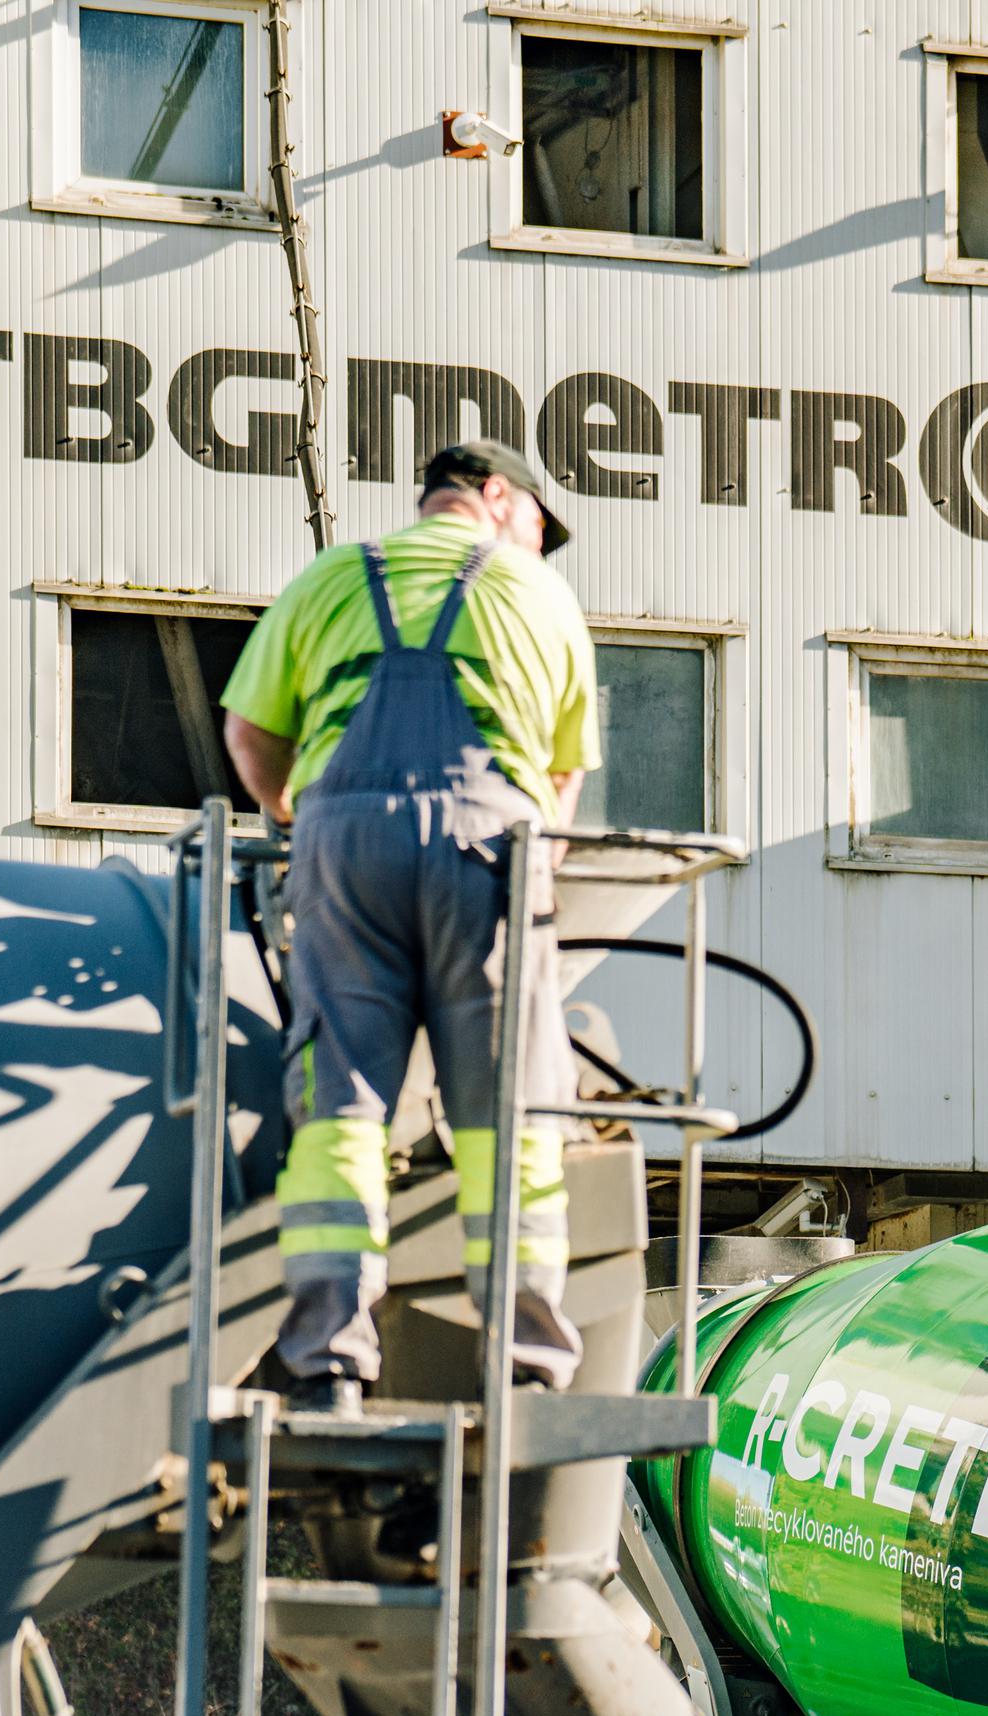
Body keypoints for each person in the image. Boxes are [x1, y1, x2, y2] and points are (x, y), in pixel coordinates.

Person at [220, 440, 601, 1414]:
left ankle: (328, 1362)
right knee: (510, 1117)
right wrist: (535, 860)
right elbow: (561, 777)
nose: (537, 546)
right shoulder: (540, 597)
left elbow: (251, 737)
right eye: (536, 527)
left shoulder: (330, 578)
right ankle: (522, 1367)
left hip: (344, 848)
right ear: (497, 496)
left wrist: (306, 822)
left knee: (341, 1109)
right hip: (488, 850)